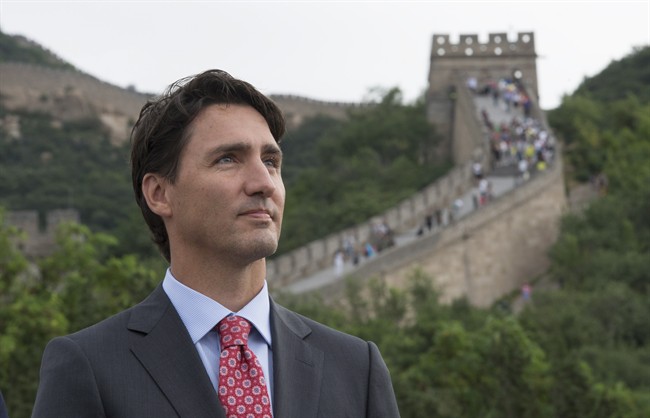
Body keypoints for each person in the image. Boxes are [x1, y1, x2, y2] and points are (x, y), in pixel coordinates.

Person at [32, 70, 400, 418]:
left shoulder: (356, 368)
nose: (264, 183)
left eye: (271, 161)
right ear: (159, 193)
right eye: (228, 159)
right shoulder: (90, 366)